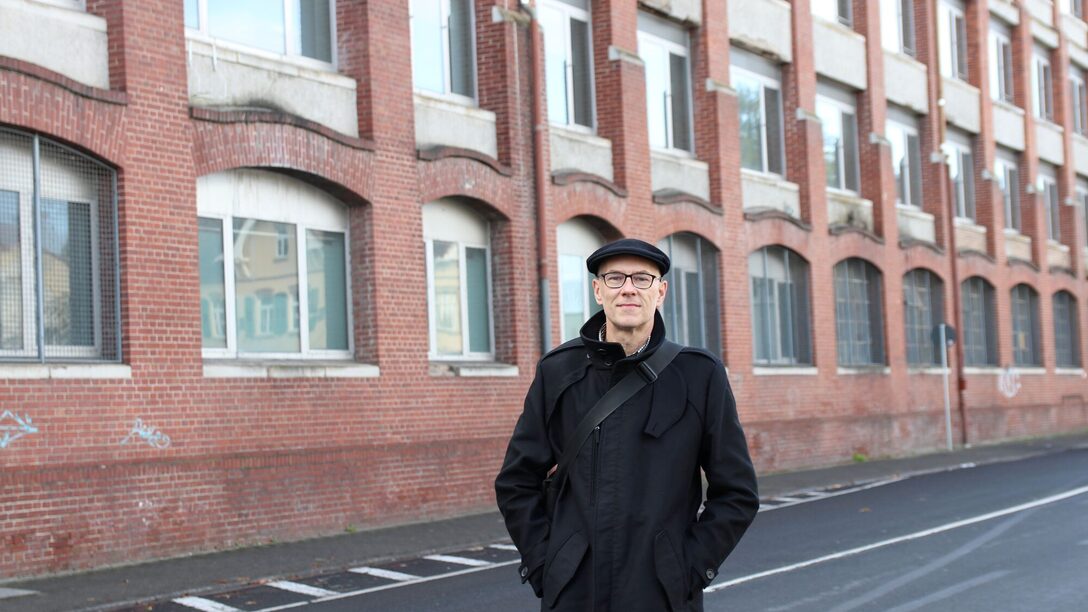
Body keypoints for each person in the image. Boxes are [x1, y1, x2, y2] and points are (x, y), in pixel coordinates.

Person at [495, 238, 759, 611]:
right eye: (615, 278)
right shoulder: (558, 371)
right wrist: (545, 565)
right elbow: (516, 482)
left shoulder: (699, 376)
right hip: (574, 597)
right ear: (598, 290)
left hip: (661, 597)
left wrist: (688, 570)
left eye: (642, 278)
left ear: (661, 291)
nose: (629, 289)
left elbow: (737, 493)